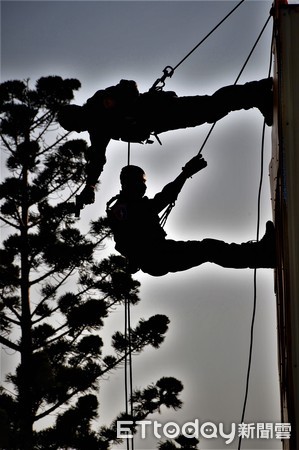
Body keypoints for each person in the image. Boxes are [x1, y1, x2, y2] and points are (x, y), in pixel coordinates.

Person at [58, 78, 273, 209]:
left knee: (211, 106)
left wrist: (120, 102)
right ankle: (255, 96)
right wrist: (90, 185)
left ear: (78, 117)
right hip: (158, 122)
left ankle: (257, 91)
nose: (80, 130)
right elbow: (97, 159)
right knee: (210, 111)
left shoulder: (100, 104)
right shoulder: (98, 128)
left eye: (76, 127)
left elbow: (129, 86)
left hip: (161, 110)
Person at [106, 154, 276, 276]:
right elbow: (162, 199)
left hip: (159, 254)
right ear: (130, 183)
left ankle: (260, 255)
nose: (144, 187)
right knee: (209, 249)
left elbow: (161, 200)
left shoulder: (127, 206)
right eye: (141, 182)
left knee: (208, 249)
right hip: (158, 257)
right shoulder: (124, 208)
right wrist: (185, 174)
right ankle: (261, 256)